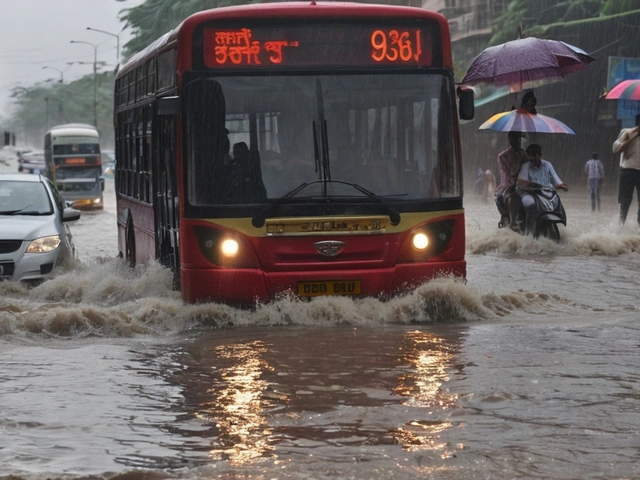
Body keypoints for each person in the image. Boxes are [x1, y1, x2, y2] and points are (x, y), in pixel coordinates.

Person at [516, 143, 569, 235]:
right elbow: (520, 182)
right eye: (530, 155)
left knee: (557, 198)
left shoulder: (547, 164)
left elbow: (556, 178)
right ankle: (529, 232)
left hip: (546, 192)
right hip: (530, 193)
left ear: (540, 155)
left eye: (534, 155)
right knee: (531, 204)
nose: (532, 158)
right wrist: (530, 184)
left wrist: (561, 185)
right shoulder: (526, 166)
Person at [495, 131, 528, 229]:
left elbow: (528, 171)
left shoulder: (524, 155)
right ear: (510, 139)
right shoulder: (502, 156)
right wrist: (514, 183)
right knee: (497, 197)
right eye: (515, 138)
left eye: (519, 138)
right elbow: (504, 173)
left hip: (525, 184)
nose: (517, 140)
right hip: (509, 184)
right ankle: (506, 217)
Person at [612, 113, 640, 225]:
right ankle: (620, 226)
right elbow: (616, 149)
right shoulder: (627, 132)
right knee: (625, 202)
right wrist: (633, 137)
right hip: (628, 171)